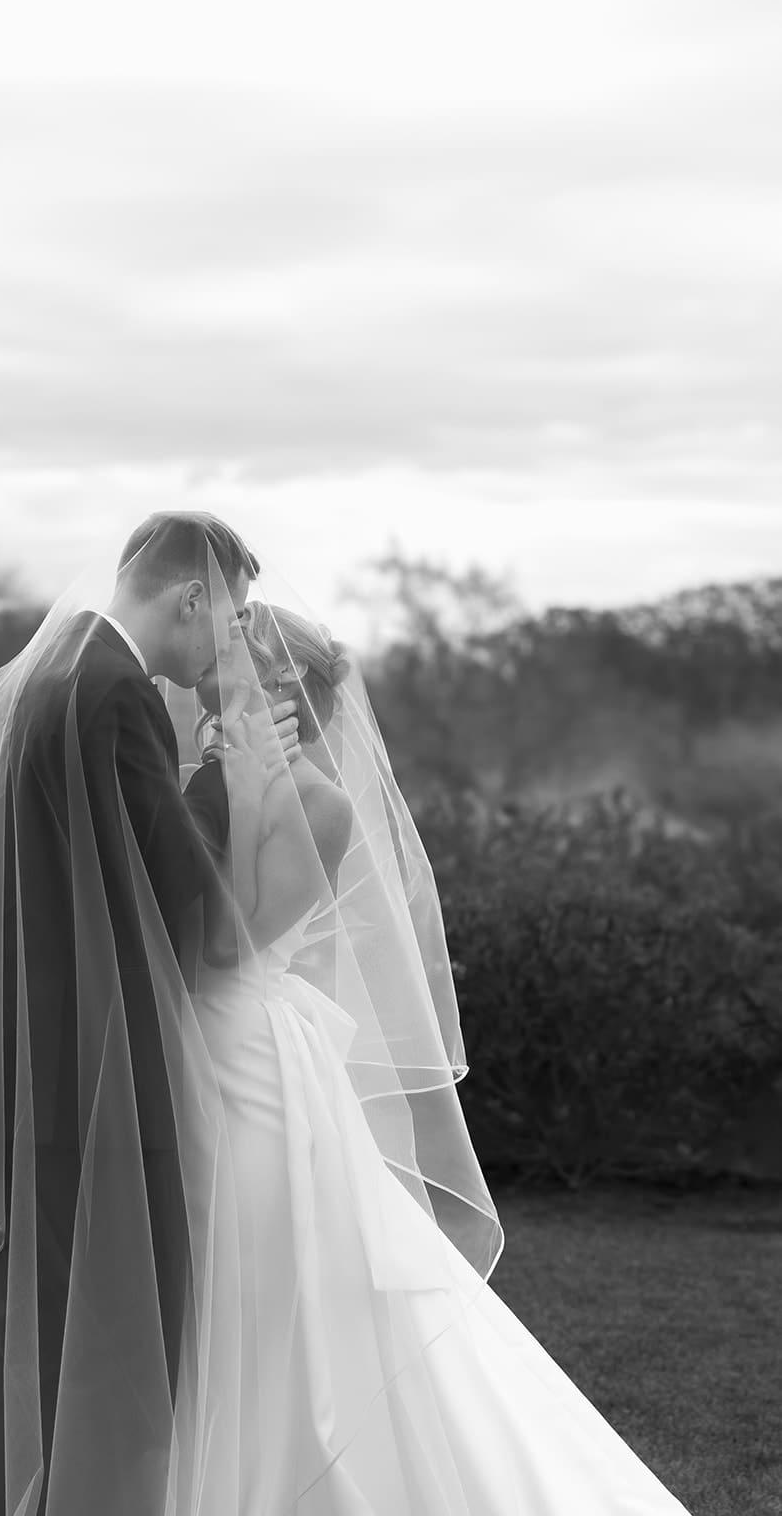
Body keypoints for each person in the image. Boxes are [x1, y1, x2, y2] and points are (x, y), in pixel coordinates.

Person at [169, 594, 696, 1514]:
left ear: (278, 682)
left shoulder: (321, 806)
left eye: (231, 651)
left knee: (270, 1270)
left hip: (250, 1052)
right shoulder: (191, 772)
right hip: (184, 1039)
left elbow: (238, 941)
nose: (207, 664)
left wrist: (253, 793)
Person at [0, 513, 299, 1516]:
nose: (222, 644)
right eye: (226, 616)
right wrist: (232, 775)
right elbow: (189, 904)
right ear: (189, 595)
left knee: (38, 1336)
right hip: (112, 1069)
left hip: (32, 1059)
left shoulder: (39, 681)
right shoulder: (118, 697)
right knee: (130, 1344)